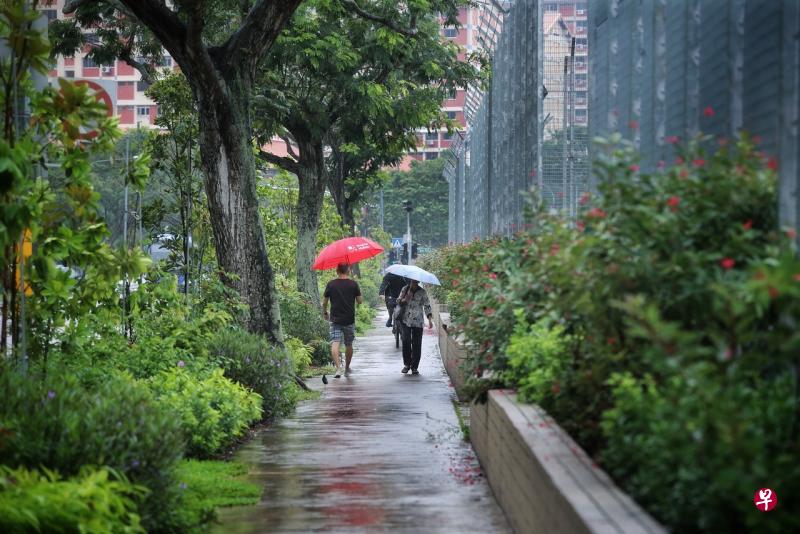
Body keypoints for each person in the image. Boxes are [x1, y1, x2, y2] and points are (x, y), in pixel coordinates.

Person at [322, 263, 363, 378]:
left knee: (335, 342)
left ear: (337, 271)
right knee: (348, 344)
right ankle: (347, 367)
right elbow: (360, 301)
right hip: (349, 319)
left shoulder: (331, 284)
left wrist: (325, 312)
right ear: (348, 271)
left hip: (335, 318)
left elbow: (324, 302)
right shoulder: (353, 284)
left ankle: (338, 368)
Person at [396, 279, 433, 375]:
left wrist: (429, 319)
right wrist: (405, 299)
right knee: (406, 341)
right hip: (405, 320)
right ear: (410, 282)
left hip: (418, 321)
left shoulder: (422, 292)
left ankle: (414, 366)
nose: (415, 284)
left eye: (417, 282)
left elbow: (427, 305)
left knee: (417, 343)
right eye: (413, 282)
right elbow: (398, 301)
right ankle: (407, 364)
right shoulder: (405, 289)